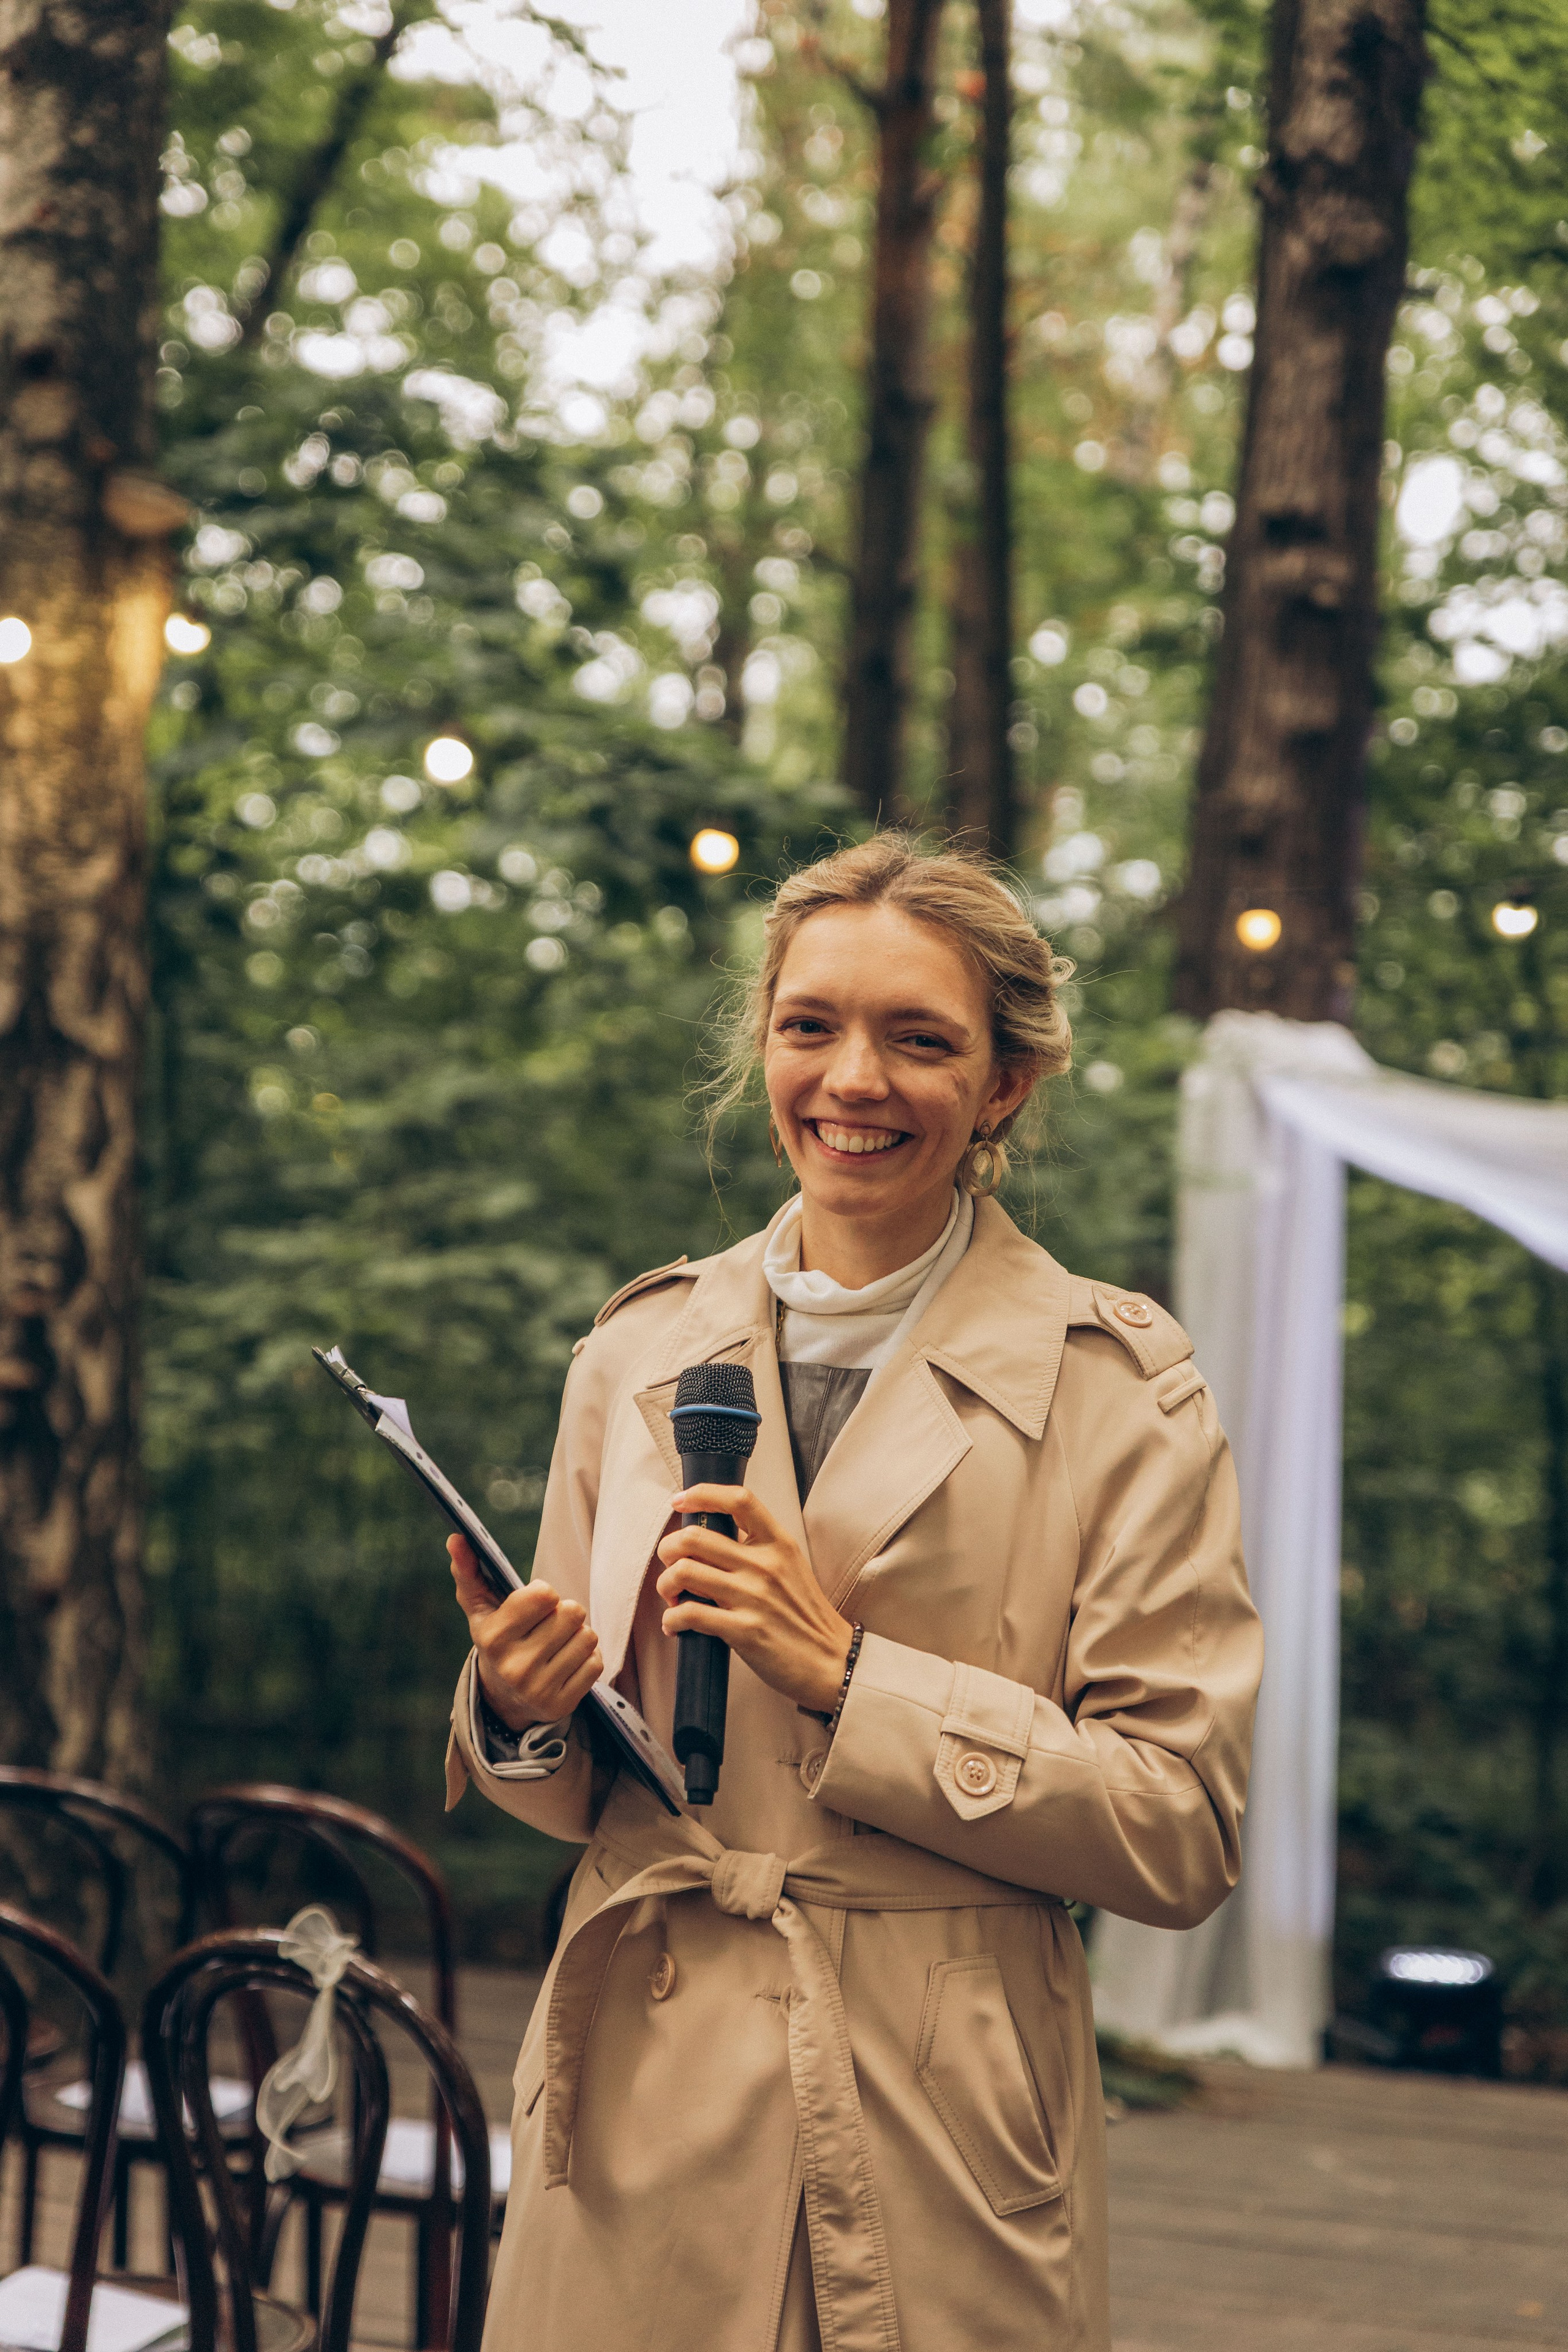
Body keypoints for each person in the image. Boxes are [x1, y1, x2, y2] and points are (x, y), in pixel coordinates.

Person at [445, 832, 1262, 2352]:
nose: (852, 1080)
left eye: (919, 1040)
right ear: (763, 1042)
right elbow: (578, 1795)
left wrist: (851, 1681)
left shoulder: (1120, 1394)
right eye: (809, 1025)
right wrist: (519, 1705)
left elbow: (1181, 1829)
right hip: (630, 2101)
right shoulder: (634, 1351)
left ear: (1003, 1084)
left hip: (927, 2122)